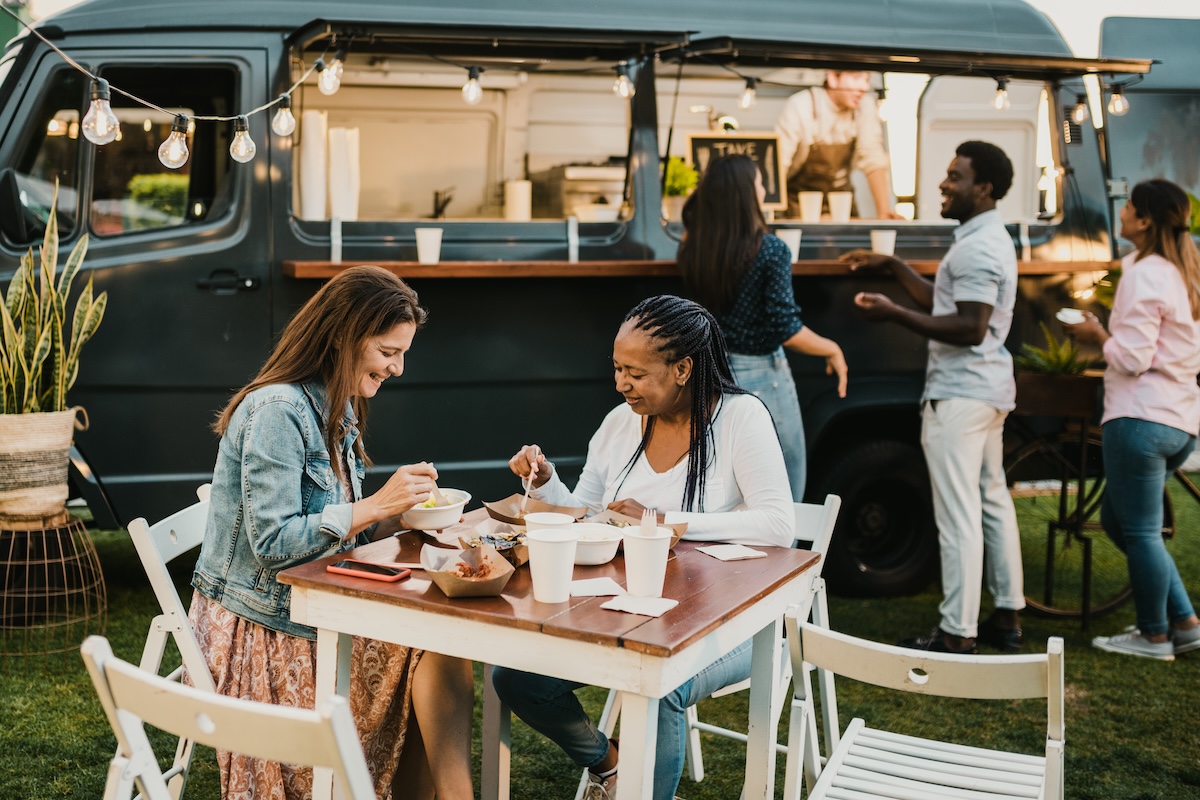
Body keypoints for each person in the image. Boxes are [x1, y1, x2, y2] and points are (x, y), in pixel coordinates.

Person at [490, 294, 794, 800]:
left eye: (635, 372)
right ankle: (609, 764)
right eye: (616, 368)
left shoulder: (742, 418)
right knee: (517, 676)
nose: (620, 383)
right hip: (627, 610)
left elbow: (779, 524)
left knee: (661, 684)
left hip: (736, 620)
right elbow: (584, 512)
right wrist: (544, 483)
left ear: (682, 368)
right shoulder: (618, 424)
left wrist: (662, 522)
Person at [189, 266, 475, 800]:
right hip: (264, 626)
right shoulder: (277, 411)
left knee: (440, 642)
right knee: (433, 648)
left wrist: (400, 513)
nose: (398, 368)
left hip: (312, 605)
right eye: (389, 351)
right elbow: (275, 548)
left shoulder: (335, 402)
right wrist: (374, 505)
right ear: (346, 338)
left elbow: (335, 527)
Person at [846, 140, 1024, 654]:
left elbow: (969, 326)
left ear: (983, 188)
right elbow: (947, 300)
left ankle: (956, 633)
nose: (944, 184)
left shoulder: (978, 245)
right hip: (985, 391)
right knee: (992, 503)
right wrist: (893, 266)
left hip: (961, 395)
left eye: (955, 176)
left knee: (959, 513)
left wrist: (891, 313)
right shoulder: (985, 237)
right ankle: (1007, 618)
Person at [1064, 178, 1200, 661]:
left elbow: (1135, 358)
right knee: (1120, 523)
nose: (1120, 212)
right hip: (1179, 420)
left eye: (1128, 207)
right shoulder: (1183, 271)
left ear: (1144, 220)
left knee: (1138, 530)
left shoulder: (1144, 272)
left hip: (1140, 416)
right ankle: (1184, 621)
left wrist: (1098, 334)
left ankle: (1154, 634)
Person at [678, 153, 847, 501]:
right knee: (784, 486)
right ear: (745, 194)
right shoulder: (771, 250)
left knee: (727, 489)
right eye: (758, 182)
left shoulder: (693, 247)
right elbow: (786, 326)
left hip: (710, 374)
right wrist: (832, 348)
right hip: (762, 378)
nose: (763, 188)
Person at [774, 69, 902, 220]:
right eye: (857, 77)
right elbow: (778, 164)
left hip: (843, 203)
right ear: (833, 78)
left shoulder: (865, 106)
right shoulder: (802, 105)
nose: (864, 87)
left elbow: (873, 160)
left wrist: (884, 212)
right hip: (800, 203)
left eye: (867, 80)